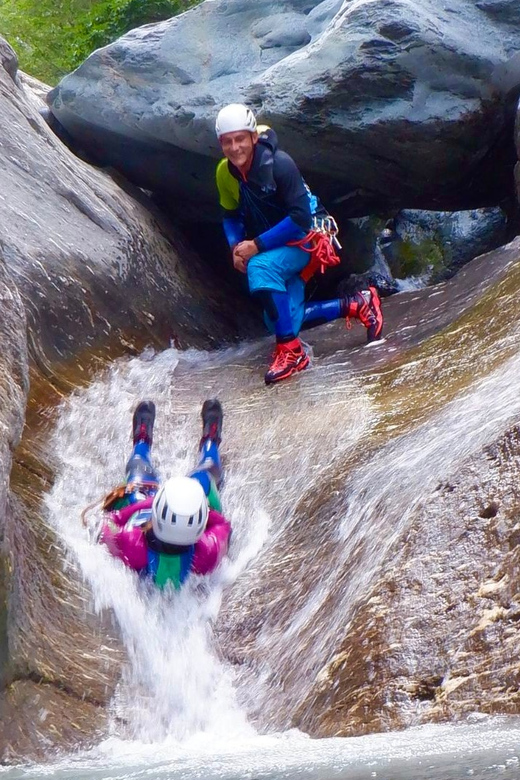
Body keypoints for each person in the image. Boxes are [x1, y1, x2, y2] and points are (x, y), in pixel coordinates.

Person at [215, 103, 384, 386]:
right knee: (281, 321)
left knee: (260, 267)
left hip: (310, 238)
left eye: (240, 139)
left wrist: (255, 246)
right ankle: (358, 304)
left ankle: (291, 353)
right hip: (275, 243)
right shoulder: (224, 172)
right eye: (227, 142)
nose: (235, 148)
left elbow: (301, 218)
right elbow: (230, 216)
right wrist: (235, 246)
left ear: (253, 137)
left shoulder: (280, 164)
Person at [97, 399, 231, 589]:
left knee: (137, 467)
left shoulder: (132, 543)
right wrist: (202, 510)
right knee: (207, 473)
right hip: (182, 519)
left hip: (145, 509)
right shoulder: (208, 553)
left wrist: (148, 503)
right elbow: (223, 524)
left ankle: (142, 441)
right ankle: (210, 440)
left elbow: (110, 521)